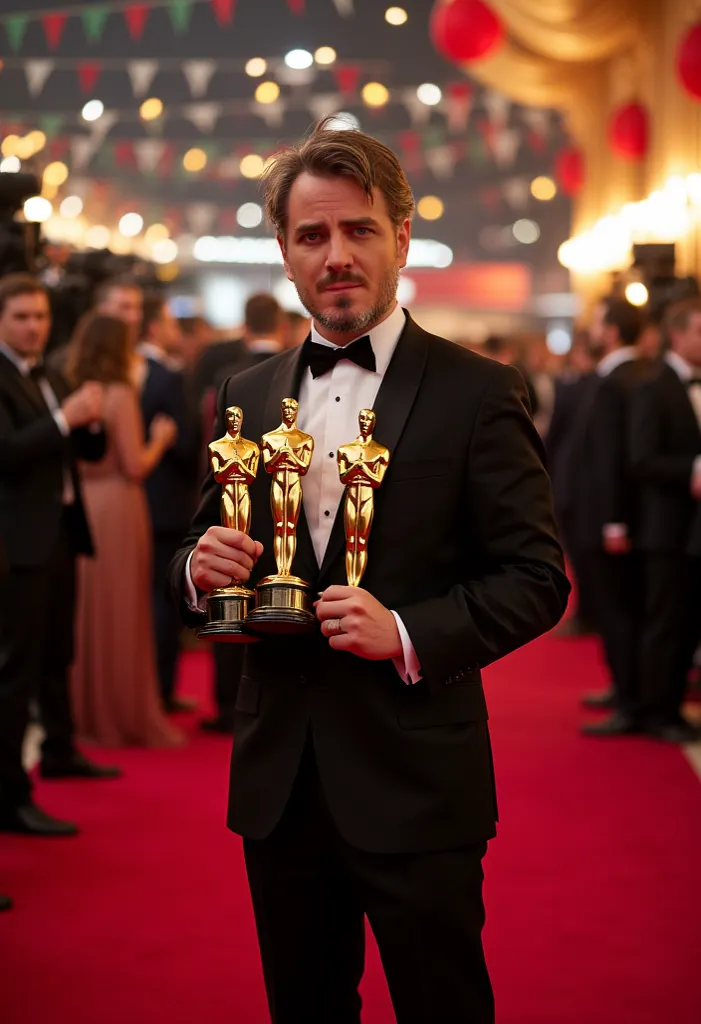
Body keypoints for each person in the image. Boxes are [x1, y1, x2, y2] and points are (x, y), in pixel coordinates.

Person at [170, 120, 569, 1023]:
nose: (336, 255)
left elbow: (536, 576)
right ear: (283, 251)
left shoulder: (478, 390)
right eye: (312, 236)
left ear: (400, 232)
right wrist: (198, 569)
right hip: (278, 783)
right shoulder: (243, 389)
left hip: (416, 780)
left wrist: (408, 631)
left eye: (357, 229)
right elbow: (196, 548)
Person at [0, 275, 120, 839]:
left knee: (56, 654)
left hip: (60, 532)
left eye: (42, 316)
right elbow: (6, 454)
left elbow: (84, 450)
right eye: (23, 316)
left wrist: (88, 421)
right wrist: (62, 420)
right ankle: (10, 796)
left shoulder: (47, 372)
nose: (34, 326)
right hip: (18, 543)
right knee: (16, 670)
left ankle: (61, 750)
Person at [68, 312, 183, 748]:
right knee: (123, 612)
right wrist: (161, 438)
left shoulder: (76, 390)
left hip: (85, 503)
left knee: (88, 612)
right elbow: (135, 466)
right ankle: (121, 712)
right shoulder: (119, 393)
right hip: (119, 505)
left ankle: (87, 713)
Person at [203, 294, 288, 734]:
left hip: (232, 515)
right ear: (279, 321)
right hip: (283, 517)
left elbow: (207, 457)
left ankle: (225, 704)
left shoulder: (224, 377)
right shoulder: (289, 377)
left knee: (229, 598)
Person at [570, 299, 655, 733]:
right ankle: (625, 689)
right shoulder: (632, 374)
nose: (594, 328)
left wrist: (613, 521)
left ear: (612, 331)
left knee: (619, 611)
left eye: (599, 321)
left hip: (610, 520)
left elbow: (611, 460)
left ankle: (630, 699)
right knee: (620, 610)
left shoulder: (618, 379)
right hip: (613, 516)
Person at [628, 297, 701, 742]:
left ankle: (673, 706)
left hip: (696, 529)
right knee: (665, 623)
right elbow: (642, 459)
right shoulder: (652, 386)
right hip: (666, 527)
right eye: (699, 331)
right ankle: (656, 712)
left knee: (689, 622)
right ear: (677, 334)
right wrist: (692, 471)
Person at [138, 295, 199, 712]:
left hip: (136, 503)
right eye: (170, 322)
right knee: (164, 602)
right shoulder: (166, 377)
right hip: (166, 503)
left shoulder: (129, 370)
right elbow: (187, 445)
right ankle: (159, 689)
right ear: (155, 329)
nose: (176, 331)